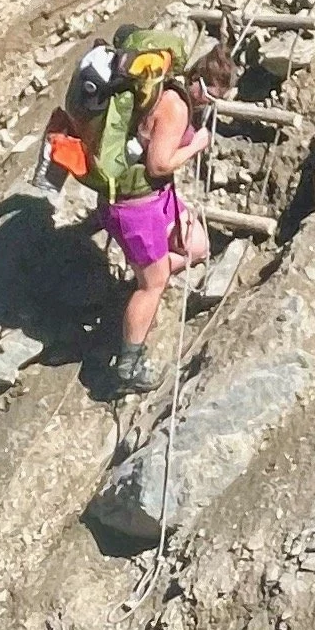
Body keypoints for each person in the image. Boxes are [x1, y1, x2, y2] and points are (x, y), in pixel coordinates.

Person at [105, 38, 236, 394]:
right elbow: (159, 163)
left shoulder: (173, 91)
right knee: (153, 285)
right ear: (196, 80)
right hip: (136, 205)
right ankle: (127, 367)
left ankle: (144, 276)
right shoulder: (177, 107)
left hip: (156, 196)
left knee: (196, 245)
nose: (210, 102)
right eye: (210, 93)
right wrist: (195, 145)